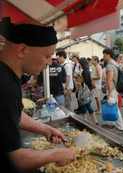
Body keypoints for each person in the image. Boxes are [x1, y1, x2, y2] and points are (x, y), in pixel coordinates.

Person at [0, 17, 75, 172]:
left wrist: (46, 129)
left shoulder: (6, 76)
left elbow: (14, 115)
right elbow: (16, 159)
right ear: (22, 50)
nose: (49, 63)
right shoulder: (5, 87)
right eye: (47, 56)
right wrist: (55, 154)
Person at [103, 48, 123, 131]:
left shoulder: (110, 65)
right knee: (113, 106)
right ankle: (112, 124)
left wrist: (109, 93)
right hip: (115, 88)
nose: (103, 57)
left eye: (104, 55)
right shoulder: (115, 63)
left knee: (114, 107)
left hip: (112, 89)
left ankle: (120, 127)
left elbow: (109, 80)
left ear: (108, 55)